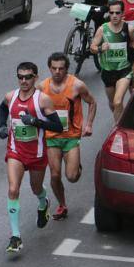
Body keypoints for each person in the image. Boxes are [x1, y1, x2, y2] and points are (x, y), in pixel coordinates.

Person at [0, 62, 63, 254]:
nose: (23, 81)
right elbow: (2, 108)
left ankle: (43, 203)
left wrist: (35, 121)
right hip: (15, 151)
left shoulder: (43, 100)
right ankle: (16, 236)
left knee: (36, 188)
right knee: (13, 189)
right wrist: (2, 126)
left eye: (28, 77)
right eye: (20, 77)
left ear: (35, 77)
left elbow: (58, 127)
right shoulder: (10, 97)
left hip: (37, 154)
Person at [38, 52, 97, 221]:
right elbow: (34, 107)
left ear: (66, 69)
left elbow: (92, 102)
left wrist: (89, 124)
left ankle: (76, 166)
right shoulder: (42, 87)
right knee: (55, 175)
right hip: (51, 137)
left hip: (71, 136)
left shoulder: (77, 85)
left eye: (61, 69)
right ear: (49, 68)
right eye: (54, 68)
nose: (57, 72)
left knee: (72, 177)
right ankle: (62, 204)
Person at [90, 0, 134, 124]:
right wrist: (99, 48)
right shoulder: (102, 30)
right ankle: (123, 119)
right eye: (111, 12)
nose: (114, 15)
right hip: (108, 72)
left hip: (124, 71)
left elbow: (133, 41)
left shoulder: (128, 28)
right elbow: (92, 48)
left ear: (122, 13)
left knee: (118, 101)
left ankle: (118, 129)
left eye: (117, 13)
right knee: (113, 104)